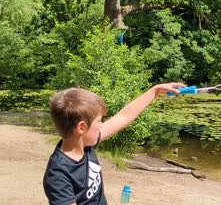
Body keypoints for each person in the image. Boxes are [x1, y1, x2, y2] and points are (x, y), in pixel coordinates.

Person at [43, 83, 185, 205]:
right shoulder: (58, 174)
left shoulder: (85, 144)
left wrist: (155, 90)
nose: (101, 126)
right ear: (81, 128)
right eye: (99, 121)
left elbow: (123, 117)